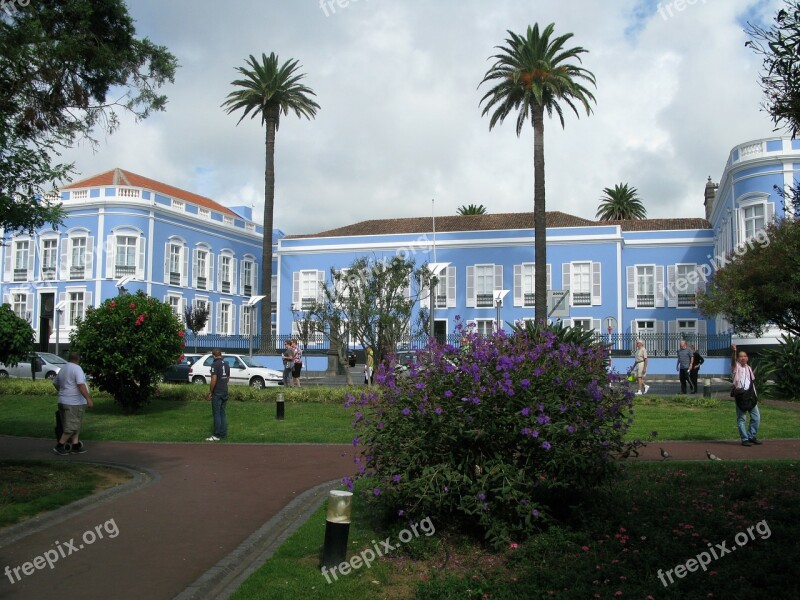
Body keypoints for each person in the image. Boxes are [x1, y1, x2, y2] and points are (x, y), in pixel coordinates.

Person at [52, 352, 93, 455]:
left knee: (75, 424)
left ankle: (75, 445)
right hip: (74, 402)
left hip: (63, 401)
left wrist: (64, 392)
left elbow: (55, 383)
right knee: (71, 427)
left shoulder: (63, 368)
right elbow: (80, 384)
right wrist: (88, 398)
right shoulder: (77, 368)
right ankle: (60, 446)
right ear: (78, 360)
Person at [731, 344, 762, 447]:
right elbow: (733, 361)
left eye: (744, 356)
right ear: (738, 358)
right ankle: (744, 439)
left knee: (756, 417)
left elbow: (751, 382)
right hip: (740, 396)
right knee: (741, 419)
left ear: (747, 358)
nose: (743, 358)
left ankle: (751, 436)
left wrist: (756, 395)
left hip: (750, 396)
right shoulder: (736, 367)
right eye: (741, 356)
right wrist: (734, 351)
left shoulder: (748, 368)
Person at [206, 349, 230, 441]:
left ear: (213, 355)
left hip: (217, 391)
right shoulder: (226, 364)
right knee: (222, 413)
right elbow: (227, 378)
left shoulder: (215, 364)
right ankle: (223, 433)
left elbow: (214, 379)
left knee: (216, 413)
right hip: (224, 390)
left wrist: (211, 391)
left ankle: (216, 434)